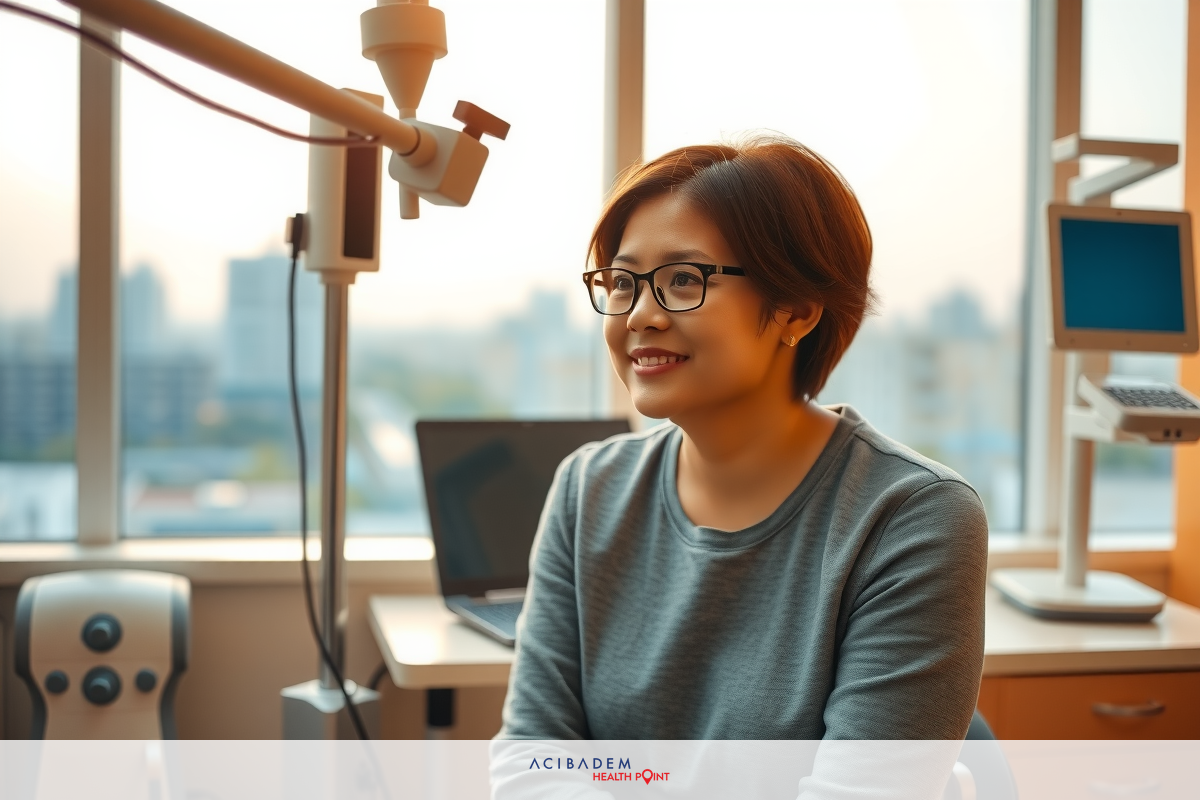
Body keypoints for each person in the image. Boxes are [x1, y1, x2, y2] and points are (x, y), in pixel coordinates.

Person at [497, 135, 988, 741]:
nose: (639, 316)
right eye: (622, 282)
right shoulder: (588, 488)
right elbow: (533, 756)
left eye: (682, 279)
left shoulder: (912, 516)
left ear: (798, 310)